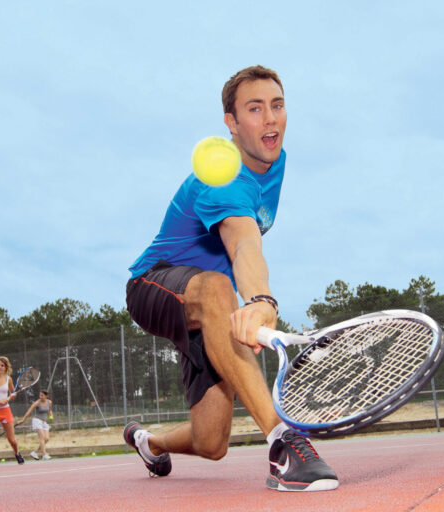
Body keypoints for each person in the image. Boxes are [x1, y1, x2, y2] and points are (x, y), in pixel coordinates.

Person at [123, 65, 339, 492]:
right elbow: (242, 241)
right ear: (232, 123)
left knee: (211, 440)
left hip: (208, 306)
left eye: (277, 106)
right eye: (254, 109)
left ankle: (149, 443)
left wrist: (254, 301)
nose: (270, 118)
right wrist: (260, 298)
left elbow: (249, 246)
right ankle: (284, 443)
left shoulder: (273, 162)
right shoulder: (221, 175)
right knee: (218, 286)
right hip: (154, 284)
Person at [16, 390, 54, 460]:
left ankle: (34, 452)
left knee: (47, 439)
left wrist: (51, 415)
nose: (40, 397)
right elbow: (29, 411)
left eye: (42, 395)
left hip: (44, 422)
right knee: (42, 438)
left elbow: (50, 410)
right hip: (37, 421)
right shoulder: (37, 403)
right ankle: (44, 454)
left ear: (46, 396)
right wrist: (23, 420)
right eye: (40, 395)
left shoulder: (49, 402)